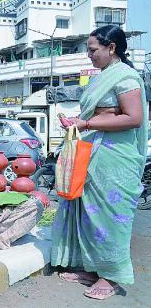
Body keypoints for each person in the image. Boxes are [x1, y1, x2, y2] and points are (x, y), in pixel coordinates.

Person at [51, 25, 147, 300]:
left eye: (93, 50)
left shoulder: (126, 76)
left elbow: (133, 118)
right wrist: (76, 123)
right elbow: (94, 115)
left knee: (109, 215)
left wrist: (87, 122)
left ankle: (111, 276)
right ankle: (92, 269)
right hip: (91, 152)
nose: (89, 56)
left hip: (115, 159)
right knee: (88, 214)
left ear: (111, 48)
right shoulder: (99, 78)